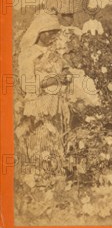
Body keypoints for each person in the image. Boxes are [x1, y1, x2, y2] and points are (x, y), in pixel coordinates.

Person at [17, 10, 72, 172]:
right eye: (49, 33)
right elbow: (27, 85)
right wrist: (54, 80)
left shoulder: (55, 53)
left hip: (56, 105)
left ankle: (57, 181)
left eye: (55, 33)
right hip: (38, 107)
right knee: (41, 147)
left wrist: (67, 76)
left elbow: (66, 71)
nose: (53, 36)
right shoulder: (29, 54)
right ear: (40, 32)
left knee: (57, 145)